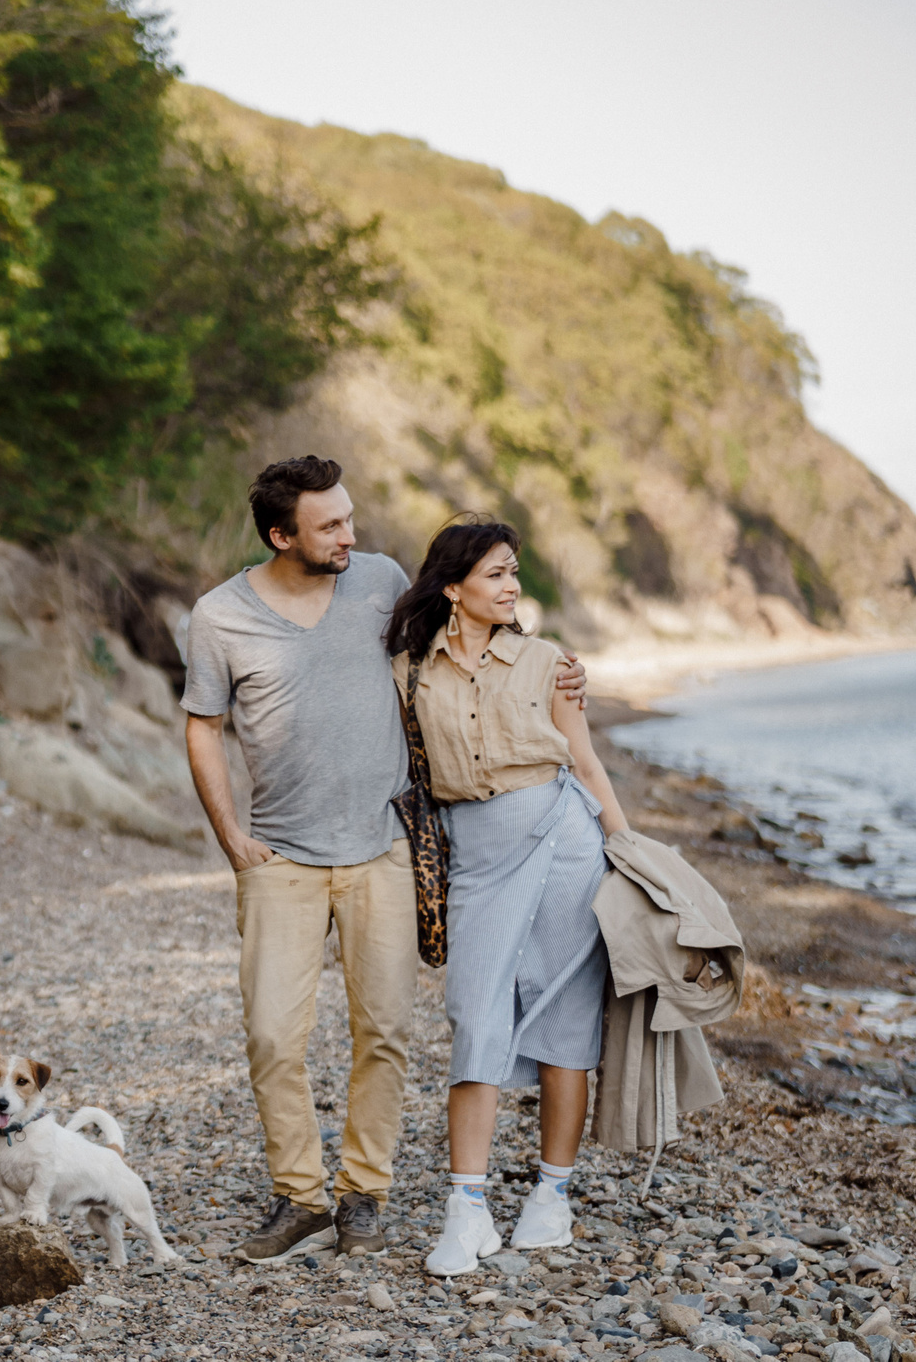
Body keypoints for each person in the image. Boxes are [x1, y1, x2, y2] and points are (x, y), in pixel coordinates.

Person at [183, 457, 584, 1265]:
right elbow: (203, 725)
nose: (349, 534)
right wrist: (232, 839)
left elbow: (462, 641)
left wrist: (556, 671)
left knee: (387, 1031)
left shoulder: (380, 579)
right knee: (271, 1034)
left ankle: (362, 1195)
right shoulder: (220, 616)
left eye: (349, 517)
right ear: (280, 534)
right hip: (281, 856)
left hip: (387, 847)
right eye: (329, 524)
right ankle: (298, 1197)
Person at [386, 516, 629, 1276]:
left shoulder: (548, 661)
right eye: (496, 573)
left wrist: (628, 852)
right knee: (475, 1014)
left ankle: (552, 1197)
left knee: (565, 1015)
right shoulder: (409, 670)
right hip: (477, 854)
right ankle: (468, 1210)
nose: (512, 586)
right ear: (452, 587)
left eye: (515, 572)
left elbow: (584, 761)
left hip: (564, 839)